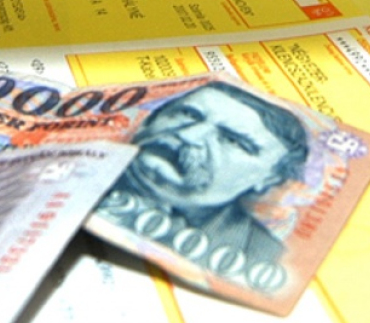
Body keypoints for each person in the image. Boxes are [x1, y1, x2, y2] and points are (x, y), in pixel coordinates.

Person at [95, 80, 309, 291]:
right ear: (150, 120)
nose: (187, 135)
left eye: (233, 140)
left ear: (269, 179)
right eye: (188, 114)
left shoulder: (269, 259)